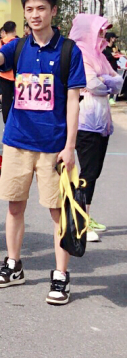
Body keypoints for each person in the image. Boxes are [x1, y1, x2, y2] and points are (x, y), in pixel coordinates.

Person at [0, 0, 85, 306]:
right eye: (29, 9)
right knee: (14, 206)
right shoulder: (17, 47)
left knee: (58, 212)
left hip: (53, 146)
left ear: (53, 11)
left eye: (41, 8)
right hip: (17, 142)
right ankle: (13, 264)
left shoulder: (69, 51)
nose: (35, 15)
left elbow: (73, 102)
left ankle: (61, 275)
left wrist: (70, 146)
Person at [69, 14, 123, 242]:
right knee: (88, 173)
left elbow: (118, 82)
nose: (102, 34)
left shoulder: (98, 54)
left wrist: (104, 81)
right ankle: (79, 221)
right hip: (85, 121)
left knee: (94, 172)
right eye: (99, 30)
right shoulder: (80, 53)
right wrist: (105, 81)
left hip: (102, 121)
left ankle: (86, 216)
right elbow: (92, 84)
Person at [0, 21, 18, 123]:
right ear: (15, 29)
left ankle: (6, 122)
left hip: (4, 75)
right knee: (18, 100)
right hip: (17, 75)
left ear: (4, 31)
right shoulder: (19, 42)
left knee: (6, 100)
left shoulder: (0, 43)